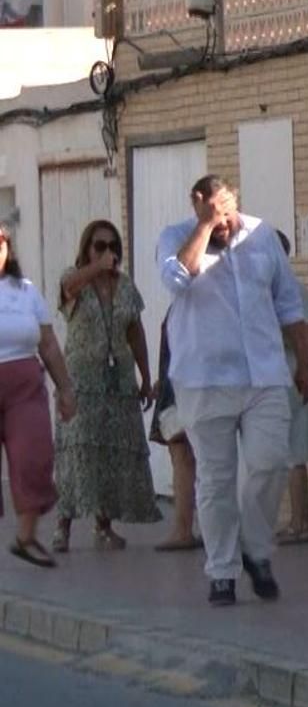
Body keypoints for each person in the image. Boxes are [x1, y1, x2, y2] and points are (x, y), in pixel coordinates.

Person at [156, 177, 308, 605]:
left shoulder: (262, 236)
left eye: (226, 213)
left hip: (264, 373)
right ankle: (222, 571)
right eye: (213, 212)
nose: (223, 222)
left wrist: (305, 361)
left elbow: (288, 302)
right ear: (197, 206)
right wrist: (204, 229)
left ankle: (254, 548)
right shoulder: (175, 238)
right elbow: (177, 279)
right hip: (204, 379)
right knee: (217, 478)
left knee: (270, 461)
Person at [53, 220, 160, 552]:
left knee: (111, 453)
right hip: (81, 381)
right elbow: (68, 289)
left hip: (118, 381)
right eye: (99, 246)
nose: (107, 252)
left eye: (112, 246)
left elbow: (135, 331)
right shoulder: (75, 279)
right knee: (78, 451)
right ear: (87, 248)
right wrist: (95, 268)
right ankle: (63, 525)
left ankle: (104, 524)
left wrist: (144, 375)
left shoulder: (125, 286)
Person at [0, 222, 79, 567]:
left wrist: (65, 388)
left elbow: (47, 342)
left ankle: (26, 537)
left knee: (34, 455)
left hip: (25, 385)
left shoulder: (25, 290)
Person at [274, 231, 308, 546]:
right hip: (285, 377)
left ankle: (301, 522)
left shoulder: (291, 294)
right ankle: (299, 520)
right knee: (293, 453)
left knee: (294, 453)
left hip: (293, 376)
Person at [149, 306, 200, 552]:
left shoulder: (186, 307)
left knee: (182, 457)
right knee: (187, 458)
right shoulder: (183, 305)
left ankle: (183, 529)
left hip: (181, 393)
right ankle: (186, 527)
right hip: (179, 389)